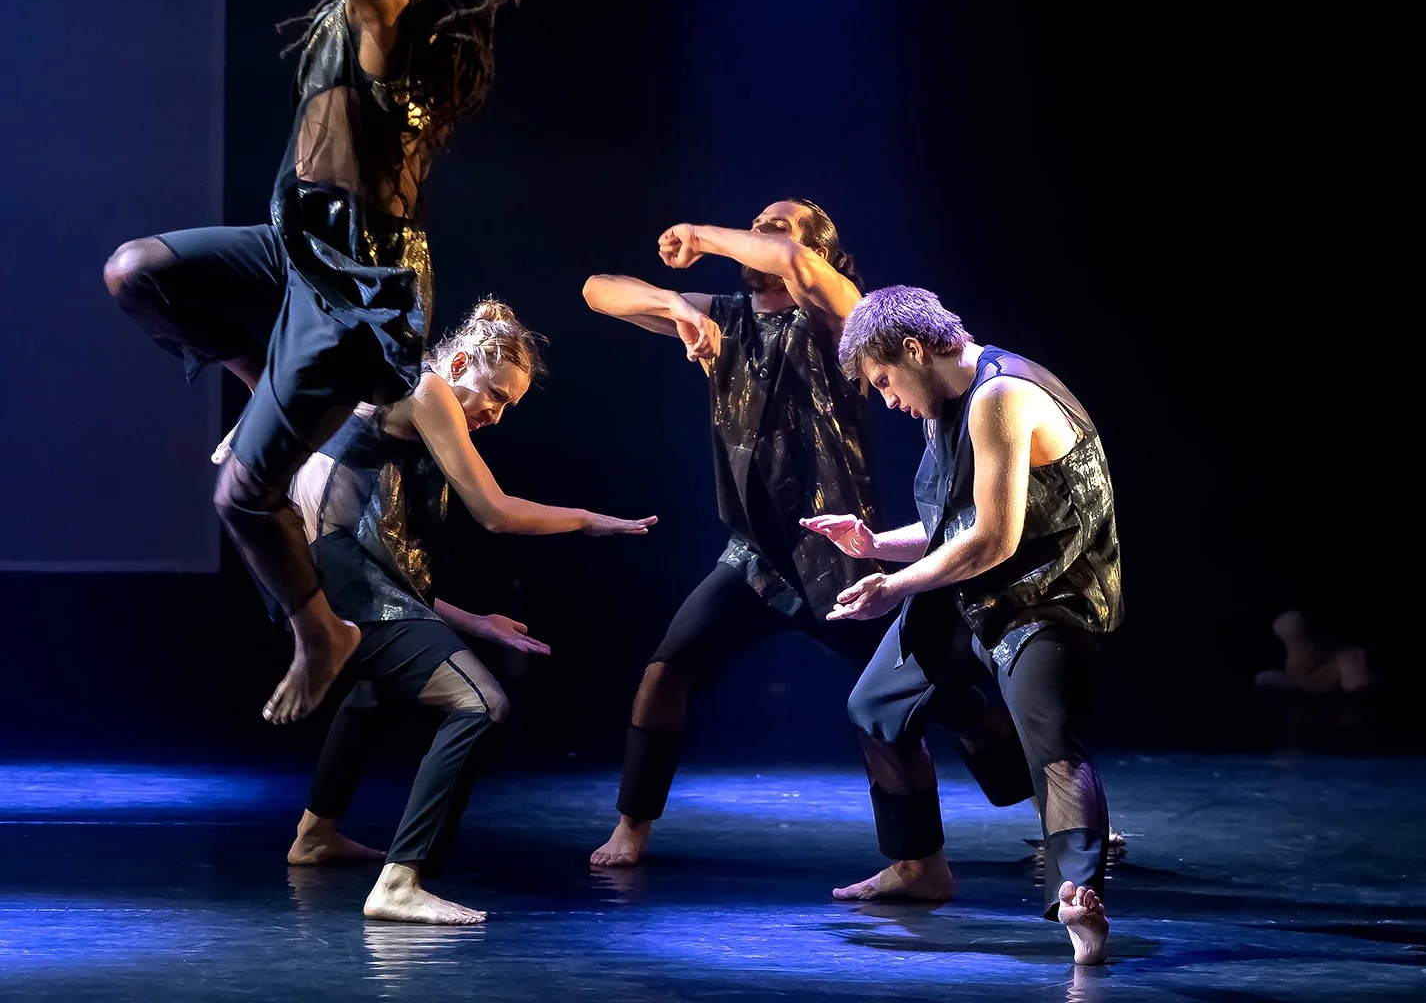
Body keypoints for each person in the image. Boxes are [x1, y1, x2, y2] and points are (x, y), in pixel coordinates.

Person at [101, 0, 522, 723]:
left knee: (240, 498)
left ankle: (321, 635)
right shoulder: (364, 10)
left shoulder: (393, 3)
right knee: (135, 271)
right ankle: (262, 379)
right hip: (295, 246)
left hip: (358, 282)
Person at [584, 202, 1031, 869]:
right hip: (754, 561)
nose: (761, 232)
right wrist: (676, 309)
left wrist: (702, 236)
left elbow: (794, 264)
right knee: (664, 674)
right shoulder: (725, 319)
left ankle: (1049, 808)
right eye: (758, 222)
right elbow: (598, 290)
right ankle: (632, 827)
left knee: (948, 700)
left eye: (779, 225)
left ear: (821, 252)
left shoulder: (843, 323)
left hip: (838, 560)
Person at [282, 300, 655, 924]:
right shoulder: (428, 389)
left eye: (509, 405)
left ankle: (314, 835)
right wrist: (588, 520)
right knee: (480, 704)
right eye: (495, 395)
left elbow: (387, 570)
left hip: (335, 580)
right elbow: (495, 512)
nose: (496, 414)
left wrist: (476, 622)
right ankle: (399, 883)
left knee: (377, 690)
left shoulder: (409, 401)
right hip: (334, 583)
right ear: (459, 365)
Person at [806, 285, 1121, 964]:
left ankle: (1079, 899)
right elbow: (955, 526)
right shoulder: (944, 404)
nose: (888, 400)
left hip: (1049, 596)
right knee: (877, 705)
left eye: (885, 381)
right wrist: (875, 545)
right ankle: (919, 868)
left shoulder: (1001, 395)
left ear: (914, 350)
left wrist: (892, 586)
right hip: (974, 590)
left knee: (1049, 736)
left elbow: (994, 540)